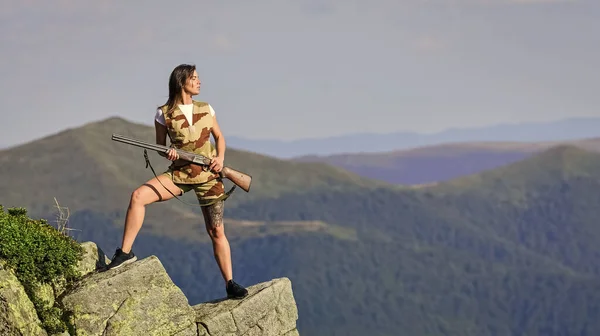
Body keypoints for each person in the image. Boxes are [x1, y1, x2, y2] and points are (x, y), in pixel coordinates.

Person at [104, 64, 248, 300]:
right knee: (138, 196)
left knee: (216, 231)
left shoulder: (206, 108)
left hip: (209, 177)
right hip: (179, 175)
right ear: (182, 82)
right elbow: (161, 147)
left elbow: (219, 137)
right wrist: (168, 153)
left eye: (198, 78)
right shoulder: (163, 113)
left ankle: (230, 283)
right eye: (194, 78)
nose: (199, 82)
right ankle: (125, 253)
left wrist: (220, 160)